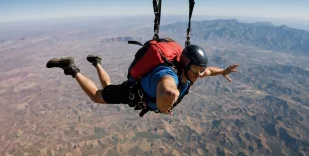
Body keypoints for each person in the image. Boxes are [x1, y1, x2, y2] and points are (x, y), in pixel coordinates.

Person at [46, 43, 239, 116]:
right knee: (98, 96)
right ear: (187, 65)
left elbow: (208, 71)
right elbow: (167, 87)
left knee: (108, 87)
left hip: (139, 92)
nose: (199, 74)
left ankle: (96, 62)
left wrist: (221, 71)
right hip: (133, 93)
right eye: (196, 70)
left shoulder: (190, 73)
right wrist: (167, 101)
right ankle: (71, 68)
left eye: (200, 70)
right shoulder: (167, 74)